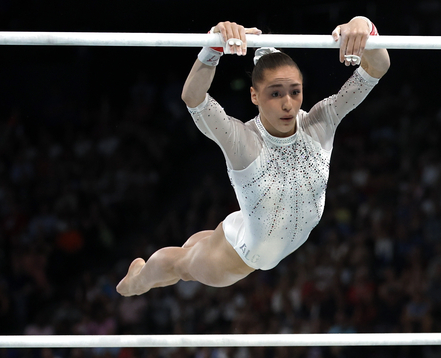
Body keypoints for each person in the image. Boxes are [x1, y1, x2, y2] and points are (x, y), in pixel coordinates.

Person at [117, 17, 390, 296]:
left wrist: (365, 26)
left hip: (259, 224)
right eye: (275, 93)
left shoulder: (321, 121)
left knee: (198, 245)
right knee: (182, 264)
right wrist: (213, 46)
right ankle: (136, 282)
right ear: (254, 96)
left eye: (295, 92)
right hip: (243, 253)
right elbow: (194, 97)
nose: (287, 104)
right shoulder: (243, 141)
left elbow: (377, 67)